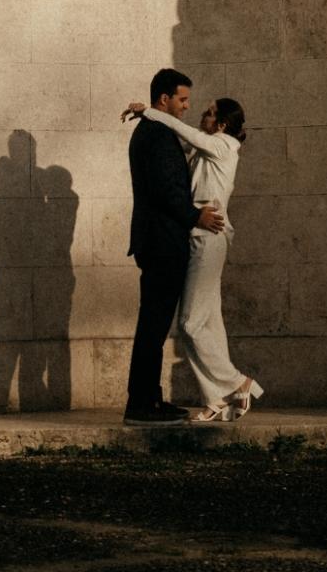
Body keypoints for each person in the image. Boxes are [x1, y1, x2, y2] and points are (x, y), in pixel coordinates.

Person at [124, 94, 263, 423]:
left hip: (209, 237)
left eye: (211, 112)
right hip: (198, 236)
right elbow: (175, 150)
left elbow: (183, 132)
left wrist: (150, 113)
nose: (203, 113)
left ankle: (238, 383)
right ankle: (216, 398)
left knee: (189, 323)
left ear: (223, 124)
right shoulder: (208, 148)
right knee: (209, 322)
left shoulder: (224, 145)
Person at [124, 67, 224, 425]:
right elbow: (167, 190)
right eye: (182, 100)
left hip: (157, 240)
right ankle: (141, 404)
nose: (186, 106)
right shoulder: (156, 135)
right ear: (163, 99)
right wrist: (197, 217)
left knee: (154, 323)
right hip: (162, 242)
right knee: (153, 325)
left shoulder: (153, 131)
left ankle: (149, 399)